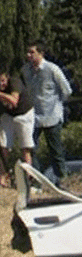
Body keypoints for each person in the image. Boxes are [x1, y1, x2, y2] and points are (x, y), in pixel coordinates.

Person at [22, 41, 72, 181]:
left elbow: (67, 90)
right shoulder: (26, 70)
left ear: (41, 53)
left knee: (56, 152)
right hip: (33, 116)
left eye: (32, 52)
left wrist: (56, 105)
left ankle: (63, 181)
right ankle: (37, 181)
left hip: (52, 116)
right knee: (30, 149)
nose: (29, 55)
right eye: (28, 52)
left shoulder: (52, 69)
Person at [0, 69, 35, 187]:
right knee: (3, 146)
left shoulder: (15, 82)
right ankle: (3, 177)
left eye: (3, 81)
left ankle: (28, 177)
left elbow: (14, 101)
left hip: (24, 114)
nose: (1, 84)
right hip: (7, 115)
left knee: (25, 147)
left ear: (7, 78)